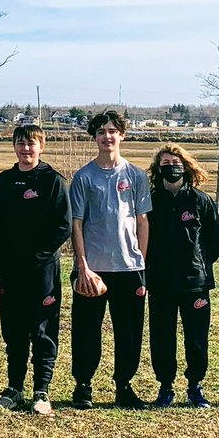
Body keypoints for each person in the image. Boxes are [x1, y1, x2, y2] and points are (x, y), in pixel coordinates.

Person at [68, 110, 152, 410]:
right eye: (102, 131)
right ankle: (83, 385)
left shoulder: (136, 176)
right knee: (86, 330)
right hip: (94, 270)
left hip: (129, 269)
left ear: (122, 135)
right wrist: (83, 266)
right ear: (95, 136)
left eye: (113, 130)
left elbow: (142, 221)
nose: (107, 136)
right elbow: (76, 224)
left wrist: (140, 259)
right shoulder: (84, 177)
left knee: (129, 332)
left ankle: (124, 385)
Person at [0, 124, 71, 415]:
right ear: (14, 147)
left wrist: (39, 255)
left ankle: (41, 391)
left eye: (32, 144)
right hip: (10, 271)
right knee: (15, 332)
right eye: (21, 144)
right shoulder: (6, 180)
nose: (26, 149)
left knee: (43, 331)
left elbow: (63, 226)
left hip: (42, 272)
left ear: (41, 146)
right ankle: (14, 388)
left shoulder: (52, 181)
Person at [146, 144, 219, 409]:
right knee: (162, 336)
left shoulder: (200, 201)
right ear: (158, 169)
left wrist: (199, 266)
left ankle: (195, 386)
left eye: (175, 163)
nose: (171, 167)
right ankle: (165, 387)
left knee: (197, 337)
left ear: (185, 167)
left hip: (195, 284)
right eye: (165, 163)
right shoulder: (150, 200)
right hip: (160, 282)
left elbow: (214, 242)